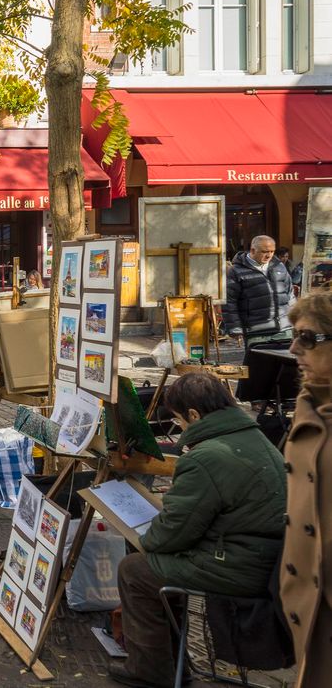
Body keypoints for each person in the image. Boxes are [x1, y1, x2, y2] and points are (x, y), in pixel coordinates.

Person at [112, 371, 286, 688]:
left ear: (194, 415)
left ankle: (150, 670)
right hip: (265, 561)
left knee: (135, 570)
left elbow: (171, 533)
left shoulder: (208, 457)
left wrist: (145, 539)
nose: (178, 428)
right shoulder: (256, 437)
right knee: (156, 565)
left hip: (238, 566)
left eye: (178, 421)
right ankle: (172, 662)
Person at [279, 291, 332, 686]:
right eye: (294, 336)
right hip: (308, 601)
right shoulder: (309, 403)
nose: (295, 348)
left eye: (309, 339)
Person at [224, 235, 294, 348]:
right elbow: (230, 301)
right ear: (252, 250)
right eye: (265, 251)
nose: (269, 255)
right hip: (256, 331)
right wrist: (235, 328)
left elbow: (290, 294)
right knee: (259, 364)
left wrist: (295, 319)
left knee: (285, 364)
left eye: (272, 251)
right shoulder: (236, 271)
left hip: (284, 329)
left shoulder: (279, 266)